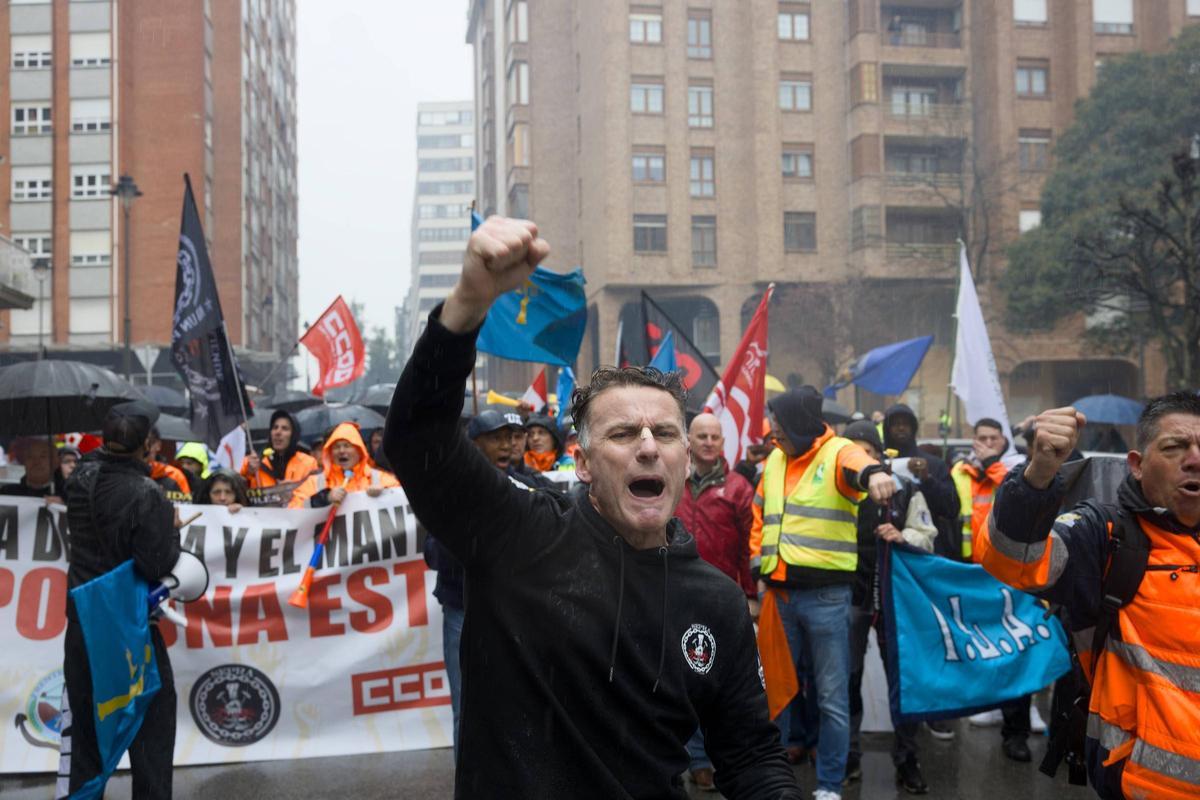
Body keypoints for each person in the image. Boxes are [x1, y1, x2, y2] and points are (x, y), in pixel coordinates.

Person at [385, 216, 802, 799]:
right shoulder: (519, 537)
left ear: (686, 458)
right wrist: (469, 302)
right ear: (582, 463)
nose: (649, 445)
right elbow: (417, 440)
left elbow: (751, 755)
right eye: (624, 433)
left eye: (665, 432)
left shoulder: (717, 601)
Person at [981, 394, 1200, 799]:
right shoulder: (1105, 534)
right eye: (1174, 447)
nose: (1195, 459)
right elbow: (1011, 558)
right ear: (1135, 465)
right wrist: (1040, 472)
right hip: (1144, 787)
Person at [750, 385, 894, 800]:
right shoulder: (775, 460)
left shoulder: (838, 451)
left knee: (831, 697)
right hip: (779, 597)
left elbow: (860, 465)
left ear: (796, 423)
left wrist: (875, 474)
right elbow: (760, 520)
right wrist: (761, 574)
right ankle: (772, 779)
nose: (772, 430)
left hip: (828, 599)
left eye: (777, 422)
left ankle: (829, 784)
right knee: (774, 691)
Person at [58, 400, 180, 799]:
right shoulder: (149, 495)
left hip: (83, 629)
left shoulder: (77, 480)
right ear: (147, 444)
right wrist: (171, 529)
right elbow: (156, 562)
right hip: (130, 632)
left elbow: (98, 463)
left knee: (88, 743)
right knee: (151, 740)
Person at [841, 421, 936, 794]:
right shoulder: (839, 492)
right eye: (854, 450)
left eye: (869, 450)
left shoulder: (906, 490)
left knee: (902, 679)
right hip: (849, 599)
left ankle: (907, 759)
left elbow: (928, 535)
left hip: (896, 601)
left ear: (881, 456)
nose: (863, 457)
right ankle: (848, 756)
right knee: (846, 680)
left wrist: (903, 535)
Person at [673, 412, 757, 791]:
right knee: (681, 678)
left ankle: (720, 754)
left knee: (718, 679)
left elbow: (747, 547)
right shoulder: (671, 481)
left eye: (714, 437)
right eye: (701, 436)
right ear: (689, 440)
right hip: (673, 592)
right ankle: (696, 758)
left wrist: (750, 594)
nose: (708, 442)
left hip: (722, 596)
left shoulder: (739, 488)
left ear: (724, 443)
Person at [951, 419, 1046, 750]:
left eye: (993, 438)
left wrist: (991, 464)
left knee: (1018, 646)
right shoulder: (961, 471)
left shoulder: (1016, 466)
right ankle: (993, 704)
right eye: (982, 438)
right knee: (985, 643)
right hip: (975, 573)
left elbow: (1016, 494)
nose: (987, 442)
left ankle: (1024, 713)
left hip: (1010, 571)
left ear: (1004, 440)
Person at [882, 404, 961, 561]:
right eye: (896, 424)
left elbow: (952, 508)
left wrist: (927, 479)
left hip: (928, 550)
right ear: (887, 429)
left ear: (913, 428)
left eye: (906, 424)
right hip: (886, 548)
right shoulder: (877, 464)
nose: (901, 428)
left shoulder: (934, 464)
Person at [289, 422, 399, 508]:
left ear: (359, 450)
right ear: (330, 452)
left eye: (347, 446)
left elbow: (404, 503)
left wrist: (385, 493)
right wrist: (323, 499)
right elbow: (294, 510)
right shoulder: (314, 482)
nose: (341, 451)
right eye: (336, 447)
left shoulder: (381, 479)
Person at [241, 409, 318, 495]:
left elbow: (313, 494)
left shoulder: (308, 463)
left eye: (285, 428)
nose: (278, 432)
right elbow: (237, 490)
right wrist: (248, 472)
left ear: (294, 435)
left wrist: (292, 490)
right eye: (275, 427)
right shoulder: (255, 463)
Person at [0, 437, 63, 503]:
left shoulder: (67, 494)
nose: (36, 462)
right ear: (23, 462)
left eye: (43, 456)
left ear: (55, 462)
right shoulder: (8, 493)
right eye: (30, 456)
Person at [143, 427, 191, 500]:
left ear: (158, 445)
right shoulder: (124, 473)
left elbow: (185, 508)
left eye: (149, 444)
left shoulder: (174, 475)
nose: (144, 449)